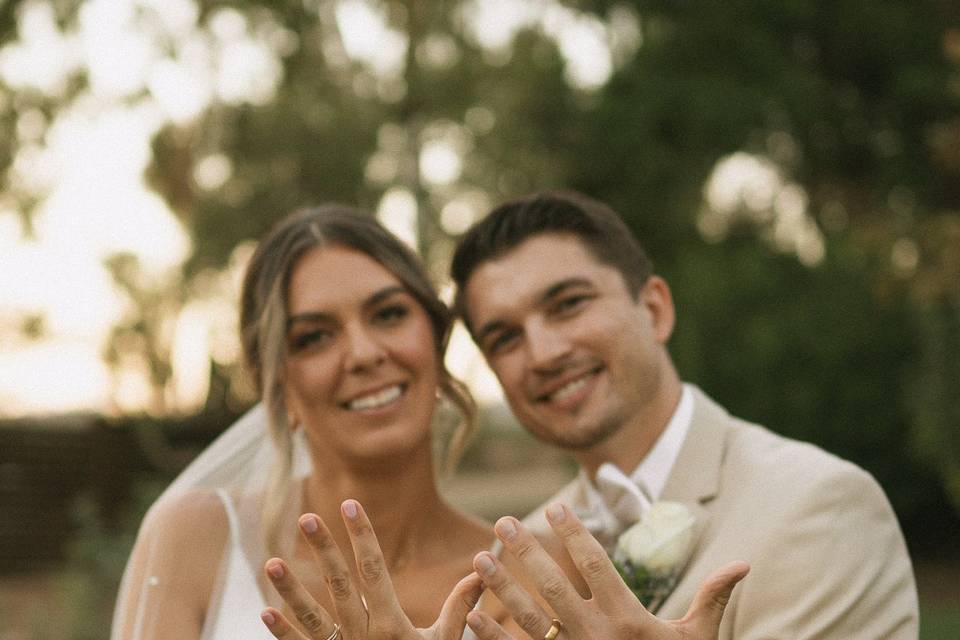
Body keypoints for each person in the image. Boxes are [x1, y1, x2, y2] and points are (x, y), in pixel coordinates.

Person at [448, 190, 919, 639]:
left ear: (654, 310)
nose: (543, 354)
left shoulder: (819, 506)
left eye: (569, 304)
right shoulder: (518, 557)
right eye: (505, 339)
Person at [111, 206, 493, 639]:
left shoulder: (515, 575)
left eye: (388, 314)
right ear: (276, 383)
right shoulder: (197, 541)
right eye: (314, 337)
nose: (364, 354)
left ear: (436, 338)